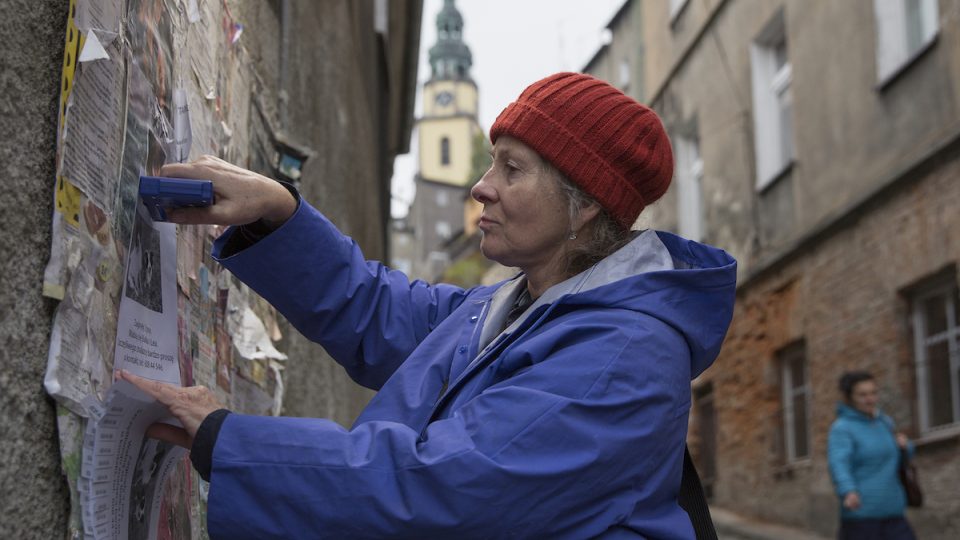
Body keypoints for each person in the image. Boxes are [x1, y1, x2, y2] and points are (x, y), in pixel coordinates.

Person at [119, 72, 737, 538]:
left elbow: (449, 490)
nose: (481, 186)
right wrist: (277, 214)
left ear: (586, 205)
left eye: (512, 169)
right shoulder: (520, 304)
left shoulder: (622, 354)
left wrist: (229, 442)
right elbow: (377, 310)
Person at [827, 371, 917, 540]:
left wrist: (906, 446)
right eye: (862, 395)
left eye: (873, 393)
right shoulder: (843, 427)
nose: (870, 399)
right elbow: (839, 463)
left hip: (893, 510)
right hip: (862, 513)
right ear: (850, 397)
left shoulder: (885, 422)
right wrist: (848, 491)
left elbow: (898, 458)